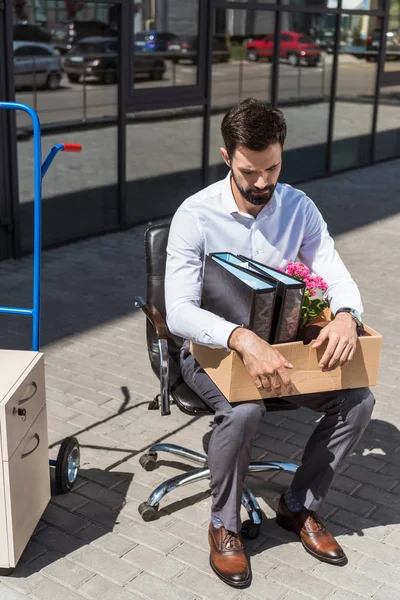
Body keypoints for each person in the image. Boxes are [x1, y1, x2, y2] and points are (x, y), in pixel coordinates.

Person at [164, 98, 375, 589]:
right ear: (226, 156)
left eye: (272, 167)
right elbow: (178, 312)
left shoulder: (298, 207)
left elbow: (335, 272)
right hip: (210, 349)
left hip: (283, 346)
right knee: (244, 410)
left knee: (358, 400)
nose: (262, 182)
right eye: (249, 170)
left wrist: (346, 315)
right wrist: (240, 338)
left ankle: (299, 505)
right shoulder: (194, 215)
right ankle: (224, 524)